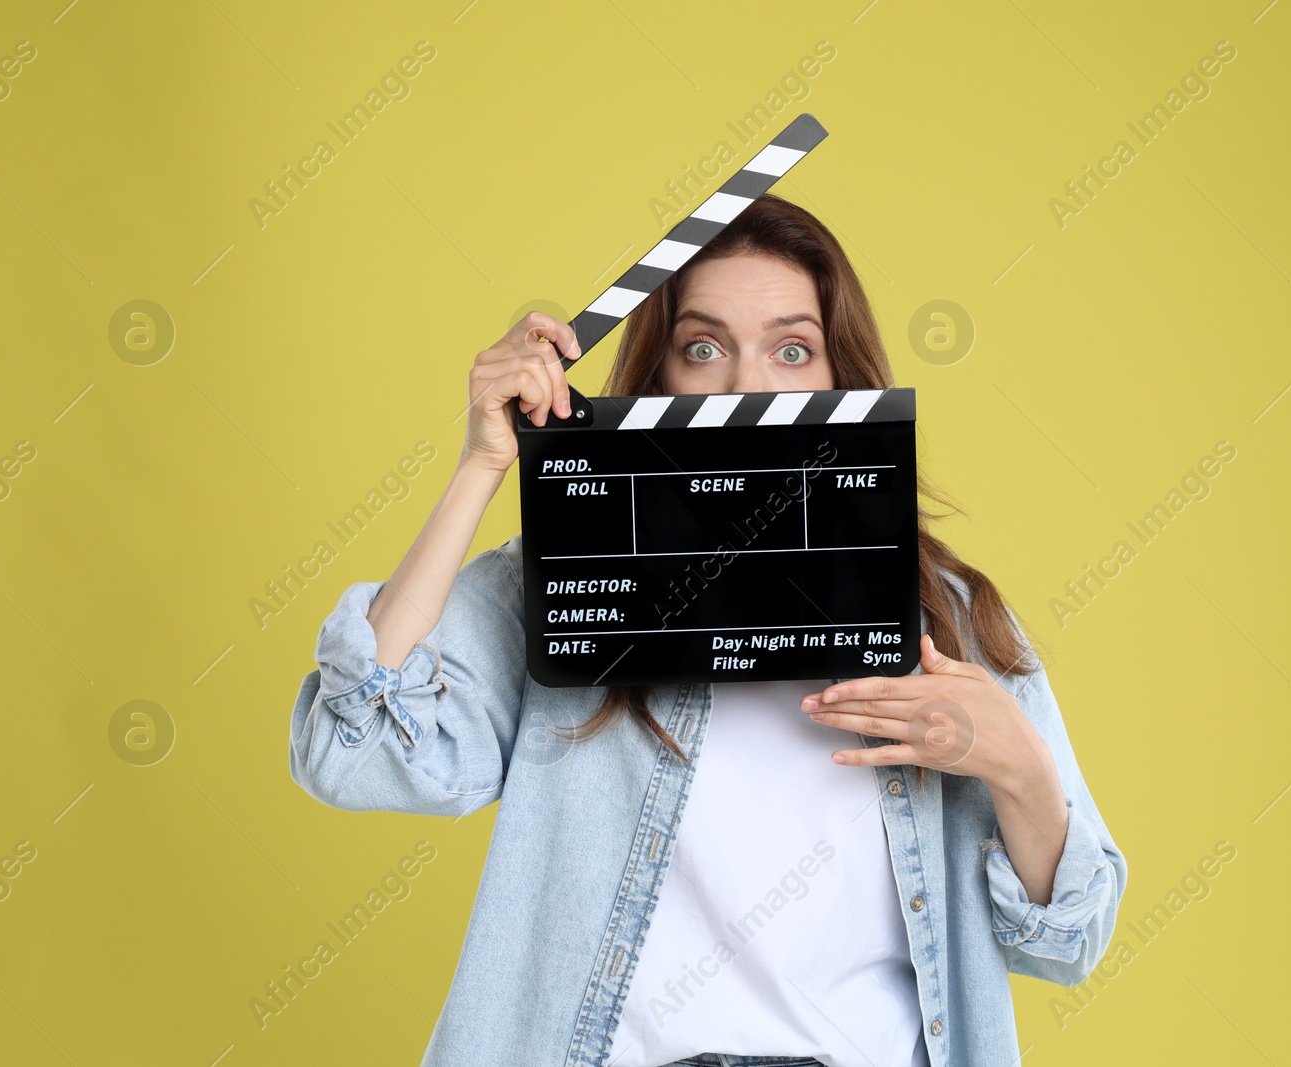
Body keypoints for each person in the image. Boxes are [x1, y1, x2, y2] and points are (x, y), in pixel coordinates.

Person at [288, 193, 1127, 1067]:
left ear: (843, 381)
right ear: (659, 381)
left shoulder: (945, 616)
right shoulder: (573, 582)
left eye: (791, 349)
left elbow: (1063, 940)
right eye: (703, 347)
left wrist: (1020, 764)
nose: (746, 388)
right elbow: (348, 748)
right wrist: (483, 464)